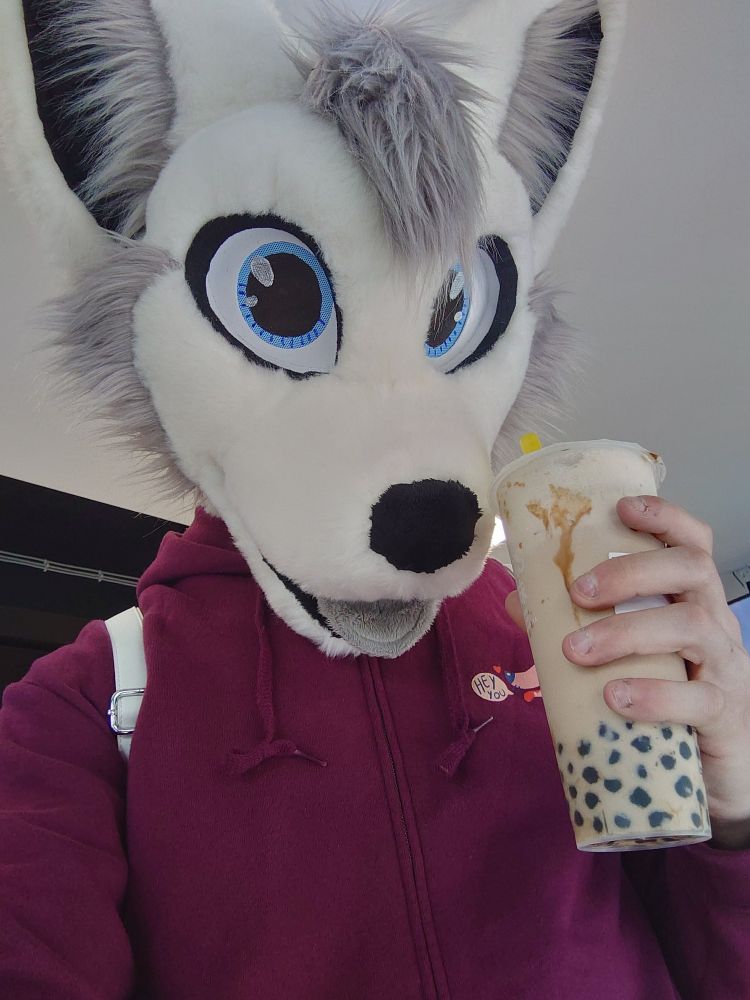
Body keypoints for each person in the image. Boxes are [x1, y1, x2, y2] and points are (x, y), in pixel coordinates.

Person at [1, 0, 749, 996]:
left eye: (451, 312)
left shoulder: (564, 638)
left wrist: (735, 817)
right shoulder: (82, 709)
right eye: (274, 295)